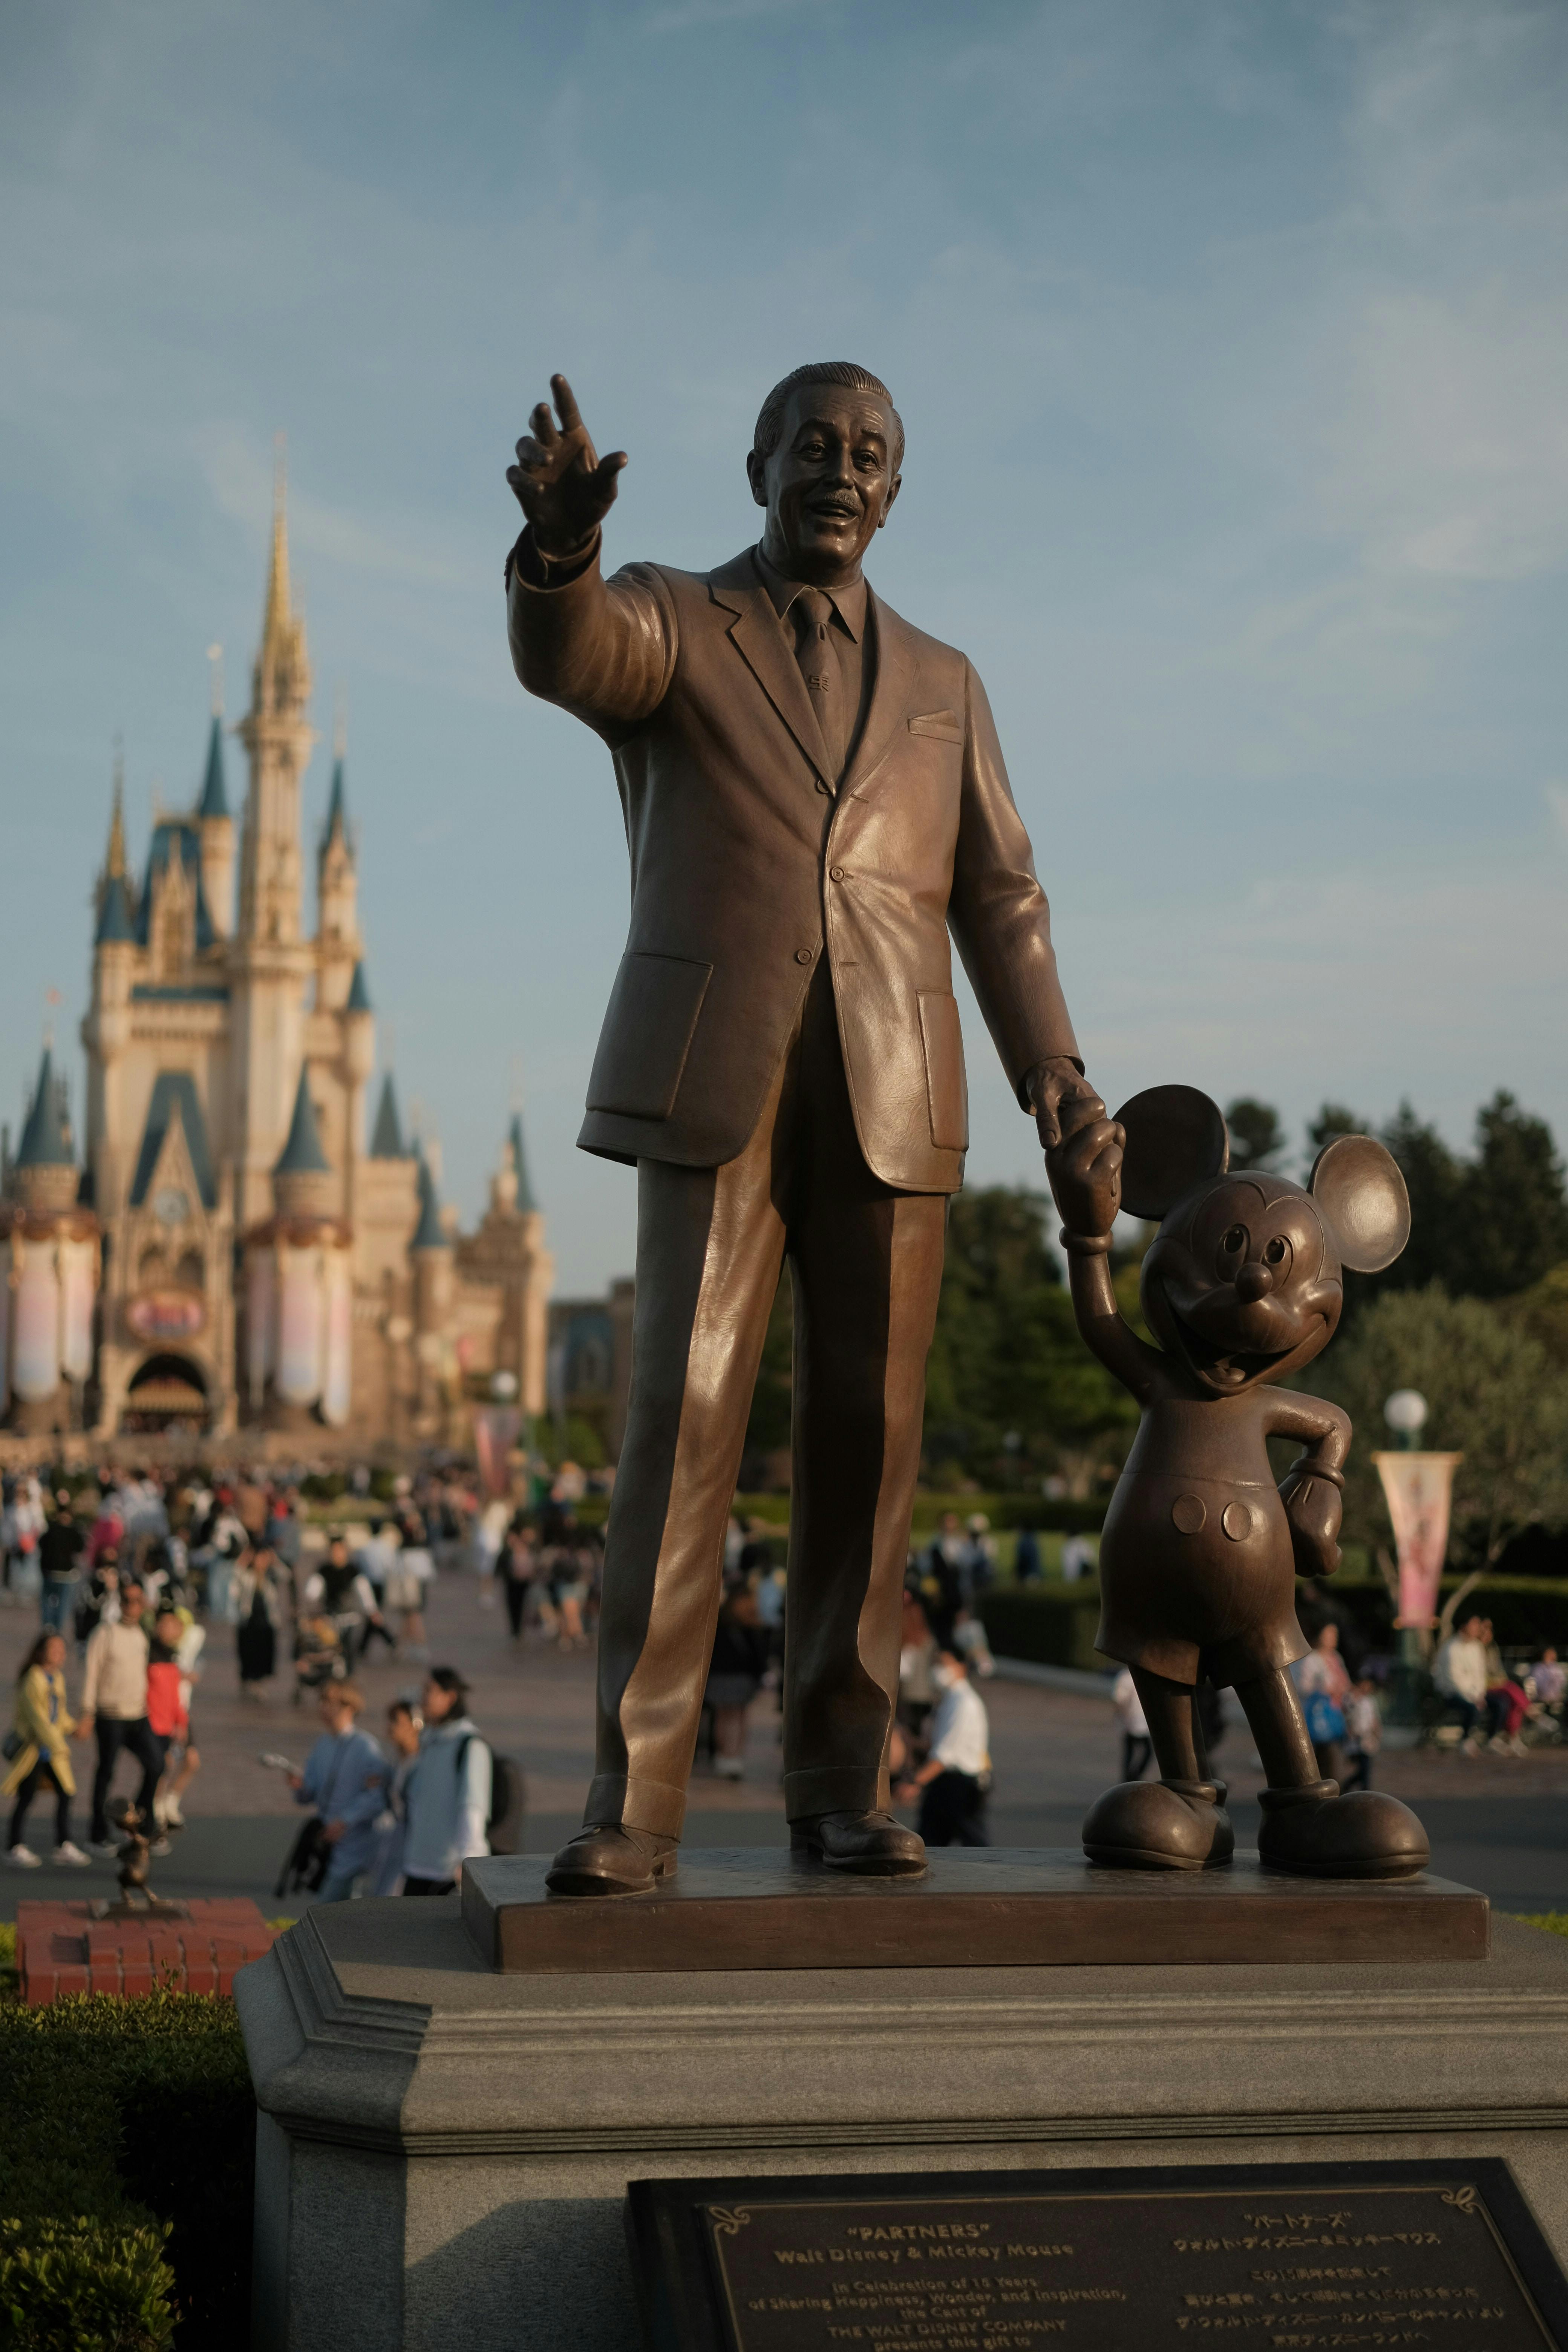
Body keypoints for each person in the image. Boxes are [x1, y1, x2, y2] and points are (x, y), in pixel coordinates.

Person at [507, 365, 1100, 1896]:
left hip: (893, 1090)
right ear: (756, 461)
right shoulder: (668, 620)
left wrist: (1055, 1069)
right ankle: (634, 1805)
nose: (842, 470)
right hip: (717, 1073)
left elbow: (1000, 896)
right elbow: (568, 660)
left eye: (872, 454)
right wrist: (560, 554)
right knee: (678, 1430)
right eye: (815, 446)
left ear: (895, 491)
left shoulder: (945, 683)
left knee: (871, 1442)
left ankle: (843, 1783)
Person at [79, 1580, 162, 1852]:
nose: (132, 1606)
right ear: (120, 1603)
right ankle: (98, 1833)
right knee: (106, 1772)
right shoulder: (105, 1634)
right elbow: (90, 1675)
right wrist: (87, 1713)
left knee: (157, 1764)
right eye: (127, 1600)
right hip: (110, 1715)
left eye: (138, 1601)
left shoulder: (141, 1635)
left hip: (138, 1715)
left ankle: (138, 1821)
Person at [287, 1683, 388, 1903]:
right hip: (328, 1844)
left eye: (330, 1702)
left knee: (329, 1909)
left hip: (358, 1845)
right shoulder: (322, 1744)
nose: (323, 1707)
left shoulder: (366, 1747)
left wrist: (346, 1821)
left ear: (349, 1708)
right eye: (321, 1701)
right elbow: (310, 1793)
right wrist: (300, 1786)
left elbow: (378, 1796)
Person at [400, 1668, 491, 1897]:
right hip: (416, 1865)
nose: (423, 1697)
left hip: (450, 1874)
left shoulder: (470, 1745)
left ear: (450, 1697)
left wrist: (470, 1864)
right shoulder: (429, 1741)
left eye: (429, 1691)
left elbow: (472, 1808)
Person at [4, 1632, 90, 1867]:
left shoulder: (57, 1678)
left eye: (62, 1650)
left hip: (50, 1752)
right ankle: (14, 1846)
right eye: (54, 1650)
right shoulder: (33, 1679)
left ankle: (63, 1844)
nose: (60, 1655)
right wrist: (60, 1746)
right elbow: (38, 1720)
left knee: (66, 1792)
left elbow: (57, 1715)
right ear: (41, 1652)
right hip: (32, 1751)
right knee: (27, 1796)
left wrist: (73, 1729)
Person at [896, 1647, 991, 1847]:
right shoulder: (948, 1699)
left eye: (944, 1664)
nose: (938, 1670)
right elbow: (937, 1745)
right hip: (944, 1783)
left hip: (961, 1785)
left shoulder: (964, 1703)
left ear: (961, 1668)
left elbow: (944, 1755)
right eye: (935, 1664)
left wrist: (915, 1782)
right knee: (931, 1842)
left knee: (976, 1846)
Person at [703, 1582, 770, 1781]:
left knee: (725, 1717)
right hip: (739, 1676)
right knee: (737, 1717)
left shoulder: (719, 1619)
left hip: (720, 1676)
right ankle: (733, 1757)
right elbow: (759, 1654)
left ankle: (725, 1756)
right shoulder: (749, 1622)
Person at [303, 1536, 383, 1670]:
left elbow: (365, 1592)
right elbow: (312, 1592)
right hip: (330, 1620)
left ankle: (347, 1679)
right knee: (331, 1651)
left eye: (340, 1550)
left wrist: (372, 1611)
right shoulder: (324, 1571)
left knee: (348, 1651)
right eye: (334, 1551)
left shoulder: (353, 1571)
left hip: (351, 1619)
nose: (337, 1554)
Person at [369, 1698, 423, 1896]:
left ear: (416, 1725)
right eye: (389, 1721)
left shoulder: (422, 1764)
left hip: (412, 1840)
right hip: (396, 1836)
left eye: (397, 1722)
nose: (390, 1727)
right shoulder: (397, 1761)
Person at [233, 1545, 288, 1696]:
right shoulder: (247, 1576)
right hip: (249, 1621)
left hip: (266, 1621)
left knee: (264, 1652)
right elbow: (236, 1576)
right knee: (248, 1652)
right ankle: (248, 1680)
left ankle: (259, 1682)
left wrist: (276, 1561)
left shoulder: (271, 1576)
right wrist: (243, 1561)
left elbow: (286, 1575)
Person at [1433, 1614, 1490, 1754]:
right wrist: (1473, 1697)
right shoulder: (1451, 1648)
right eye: (1474, 1625)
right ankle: (1465, 1740)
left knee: (1500, 1703)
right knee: (1472, 1708)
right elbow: (1454, 1679)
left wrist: (1480, 1693)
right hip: (1451, 1693)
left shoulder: (1477, 1647)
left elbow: (1481, 1673)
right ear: (1464, 1626)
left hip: (1475, 1694)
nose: (1478, 1629)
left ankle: (1492, 1738)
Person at [38, 1491, 85, 1634]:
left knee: (48, 1601)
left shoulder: (51, 1530)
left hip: (50, 1572)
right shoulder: (73, 1531)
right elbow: (81, 1548)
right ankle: (57, 1629)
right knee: (63, 1604)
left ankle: (49, 1626)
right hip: (66, 1573)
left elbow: (41, 1544)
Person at [1342, 1675, 1381, 1793]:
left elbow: (1374, 1719)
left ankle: (1361, 1789)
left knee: (1366, 1767)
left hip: (1367, 1738)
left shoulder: (1370, 1701)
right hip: (1355, 1738)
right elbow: (1348, 1713)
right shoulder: (1350, 1698)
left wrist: (1377, 1732)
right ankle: (1359, 1788)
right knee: (1362, 1767)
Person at [1112, 1665, 1152, 1781]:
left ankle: (1131, 1777)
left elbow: (1119, 1701)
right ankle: (1129, 1778)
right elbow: (1120, 1702)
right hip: (1132, 1722)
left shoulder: (1129, 1676)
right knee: (1136, 1752)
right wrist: (1125, 1719)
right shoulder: (1127, 1677)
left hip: (1139, 1722)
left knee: (1134, 1752)